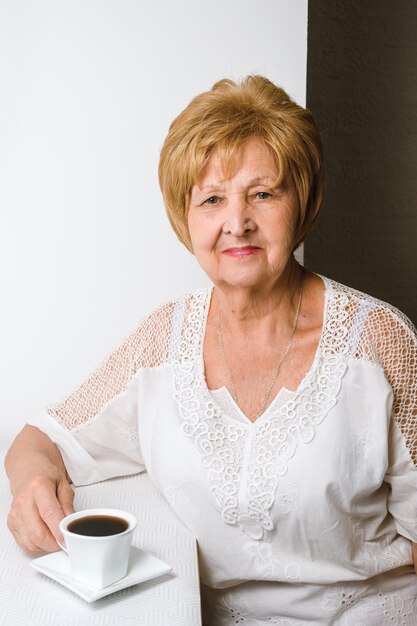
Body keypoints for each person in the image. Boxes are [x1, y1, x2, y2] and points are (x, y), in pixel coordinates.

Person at [5, 76, 417, 625]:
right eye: (212, 199)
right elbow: (43, 437)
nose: (237, 222)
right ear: (186, 219)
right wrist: (31, 480)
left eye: (264, 193)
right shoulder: (163, 340)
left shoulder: (380, 342)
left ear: (303, 202)